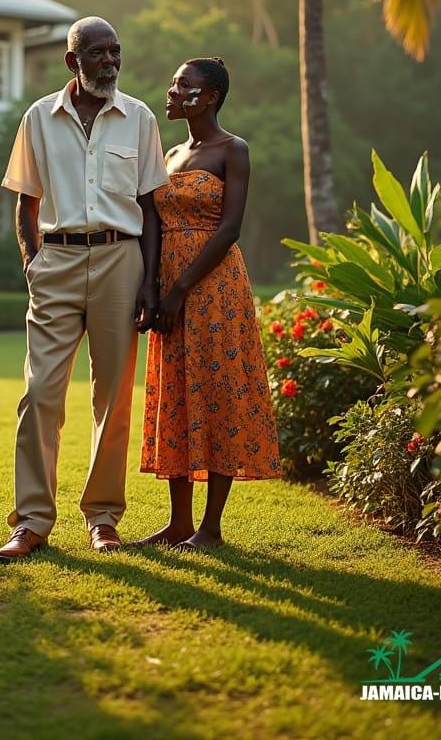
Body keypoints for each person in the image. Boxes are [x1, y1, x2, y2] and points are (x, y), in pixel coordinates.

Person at [0, 16, 169, 563]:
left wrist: (150, 279)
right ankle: (31, 521)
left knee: (114, 398)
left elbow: (151, 209)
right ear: (73, 61)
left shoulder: (138, 118)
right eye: (97, 53)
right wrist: (33, 264)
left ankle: (102, 517)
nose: (110, 62)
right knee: (40, 393)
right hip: (57, 260)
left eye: (116, 52)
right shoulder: (38, 119)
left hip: (122, 260)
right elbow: (25, 201)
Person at [137, 57, 281, 551]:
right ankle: (178, 524)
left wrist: (181, 289)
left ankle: (211, 527)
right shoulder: (170, 152)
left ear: (211, 97)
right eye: (174, 82)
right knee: (177, 392)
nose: (172, 91)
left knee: (218, 392)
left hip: (216, 286)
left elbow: (230, 228)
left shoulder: (232, 150)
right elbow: (151, 221)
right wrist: (152, 287)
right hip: (169, 281)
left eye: (184, 85)